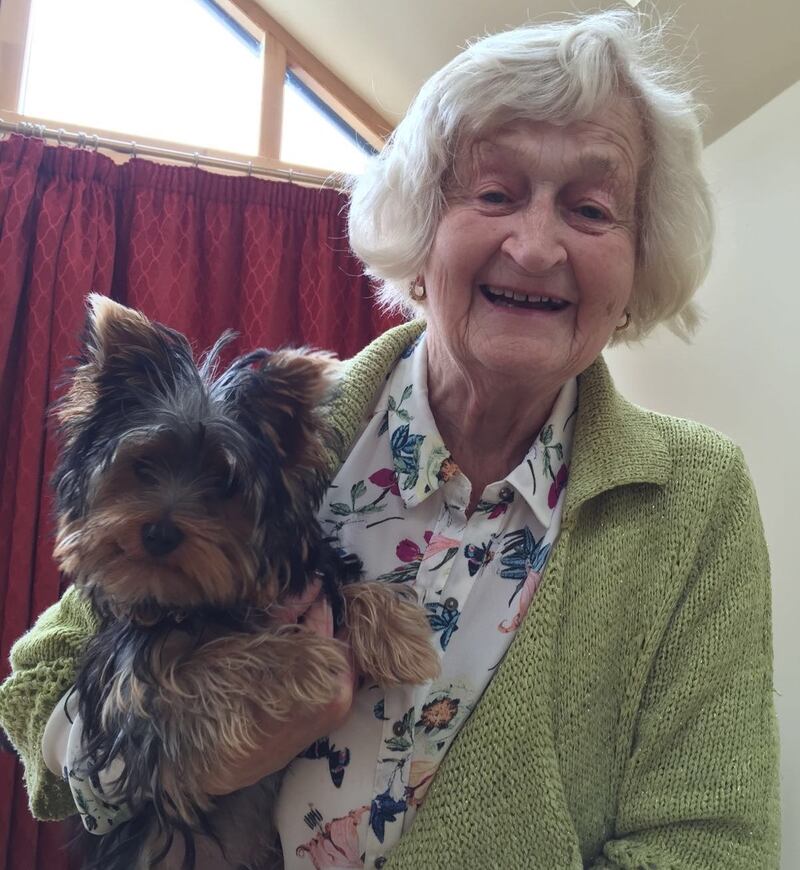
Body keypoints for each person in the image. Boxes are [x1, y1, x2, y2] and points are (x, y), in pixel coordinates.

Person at [0, 10, 780, 869]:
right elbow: (38, 695)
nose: (535, 244)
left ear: (639, 266)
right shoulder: (275, 445)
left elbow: (712, 845)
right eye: (494, 193)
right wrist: (200, 751)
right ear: (420, 236)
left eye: (592, 208)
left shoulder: (694, 502)